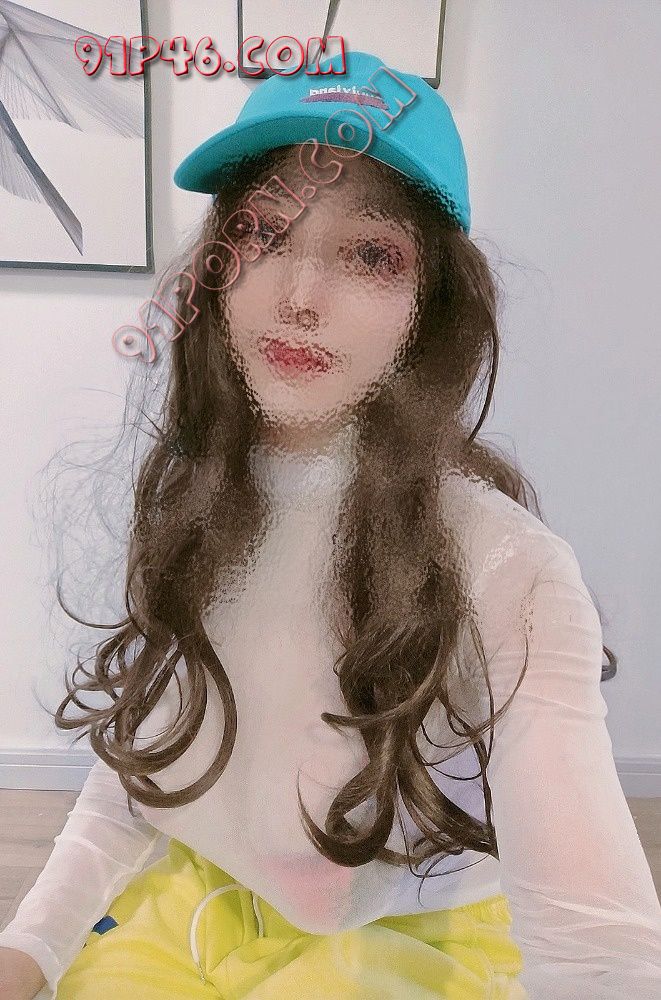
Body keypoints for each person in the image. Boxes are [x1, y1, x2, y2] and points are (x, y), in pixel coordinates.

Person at [1, 48, 660, 1000]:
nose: (299, 298)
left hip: (422, 933)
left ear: (430, 308)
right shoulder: (193, 505)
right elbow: (149, 767)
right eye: (263, 234)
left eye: (370, 255)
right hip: (205, 904)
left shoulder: (508, 568)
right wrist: (32, 946)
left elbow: (599, 952)